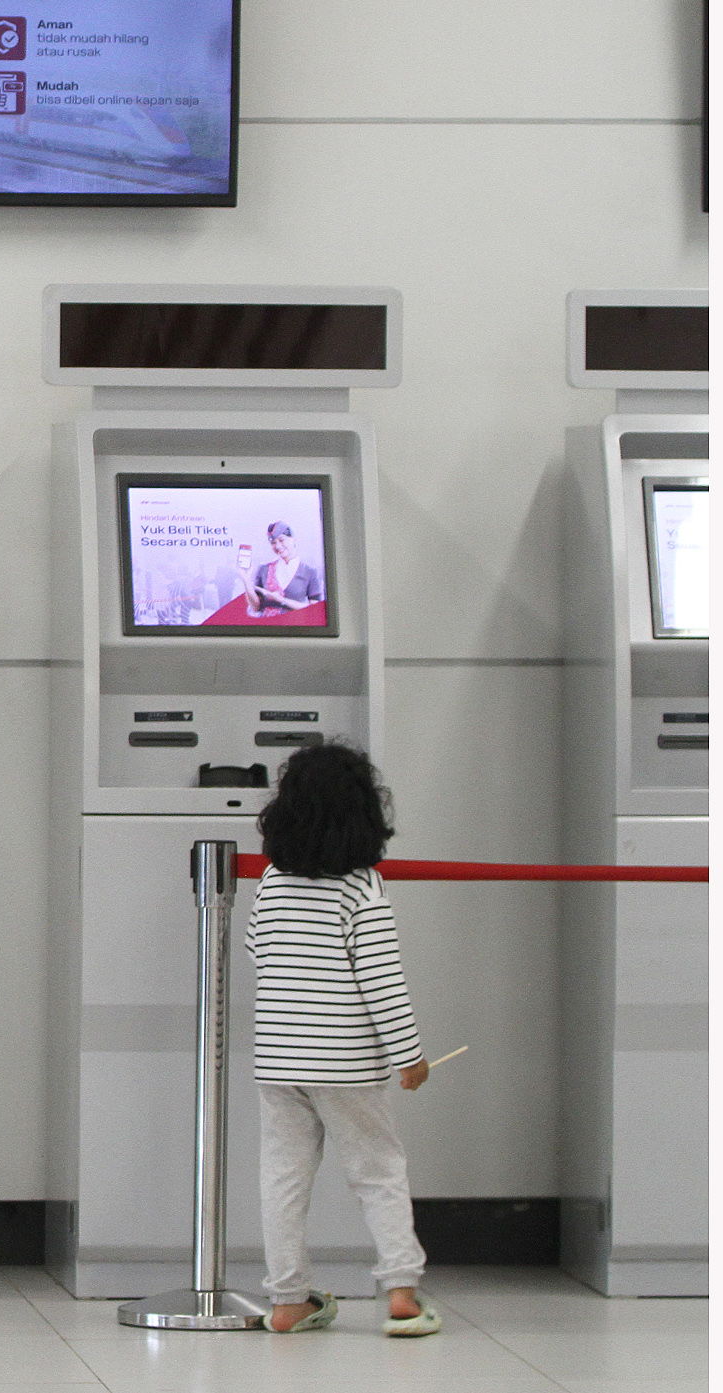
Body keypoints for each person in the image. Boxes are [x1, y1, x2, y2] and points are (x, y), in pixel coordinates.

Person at [243, 742, 441, 1338]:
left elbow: (258, 950)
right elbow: (383, 980)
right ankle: (402, 1290)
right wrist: (409, 1054)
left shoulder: (273, 882)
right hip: (349, 1064)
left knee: (283, 1179)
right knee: (378, 1171)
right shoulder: (361, 888)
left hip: (279, 1062)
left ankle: (286, 1300)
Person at [247, 521, 323, 616]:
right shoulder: (264, 569)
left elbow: (314, 610)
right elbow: (255, 607)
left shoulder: (309, 572)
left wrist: (282, 600)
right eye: (273, 543)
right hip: (267, 627)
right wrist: (245, 578)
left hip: (296, 627)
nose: (278, 546)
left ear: (293, 539)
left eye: (282, 540)